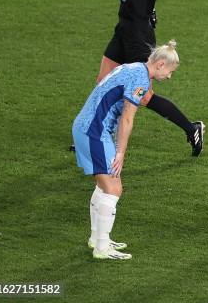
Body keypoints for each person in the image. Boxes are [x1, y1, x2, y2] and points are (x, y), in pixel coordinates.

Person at [52, 0, 204, 156]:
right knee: (103, 83)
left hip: (140, 38)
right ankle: (96, 135)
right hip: (122, 32)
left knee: (143, 97)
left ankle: (191, 128)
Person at [72, 40, 180, 259]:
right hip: (94, 131)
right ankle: (102, 248)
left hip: (87, 127)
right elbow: (127, 119)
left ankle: (97, 239)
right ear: (160, 64)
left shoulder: (132, 67)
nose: (169, 76)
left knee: (104, 186)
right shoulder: (140, 78)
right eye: (170, 71)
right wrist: (120, 152)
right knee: (113, 188)